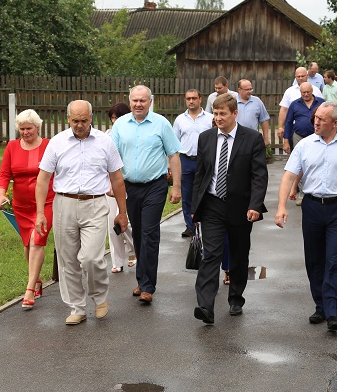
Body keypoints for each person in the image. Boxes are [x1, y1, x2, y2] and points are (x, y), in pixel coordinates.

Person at [275, 102, 337, 333]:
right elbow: (288, 176)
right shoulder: (305, 145)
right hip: (313, 207)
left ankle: (334, 313)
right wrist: (281, 206)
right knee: (314, 260)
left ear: (335, 123)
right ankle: (321, 306)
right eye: (315, 117)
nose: (315, 122)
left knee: (334, 260)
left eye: (321, 119)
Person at [34, 100, 128, 326]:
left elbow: (117, 178)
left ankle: (100, 297)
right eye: (75, 120)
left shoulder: (105, 142)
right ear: (68, 119)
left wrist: (122, 212)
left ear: (91, 118)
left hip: (95, 204)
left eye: (84, 120)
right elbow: (43, 179)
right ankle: (77, 307)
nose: (79, 125)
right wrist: (40, 213)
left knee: (91, 258)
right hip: (64, 204)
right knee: (68, 259)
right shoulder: (57, 143)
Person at [191, 93, 268, 324]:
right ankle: (205, 306)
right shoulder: (205, 138)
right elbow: (200, 175)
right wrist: (195, 207)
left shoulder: (252, 138)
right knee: (210, 255)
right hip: (212, 205)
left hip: (241, 207)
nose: (218, 118)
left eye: (222, 113)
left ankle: (235, 298)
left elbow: (259, 175)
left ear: (235, 113)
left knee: (238, 254)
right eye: (215, 113)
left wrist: (255, 205)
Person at [111, 85, 182, 305]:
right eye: (135, 100)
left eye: (143, 100)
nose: (138, 104)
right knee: (139, 233)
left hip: (155, 186)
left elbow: (174, 155)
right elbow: (111, 157)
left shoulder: (161, 123)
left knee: (150, 233)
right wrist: (109, 184)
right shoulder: (120, 125)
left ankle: (148, 286)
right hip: (129, 187)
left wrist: (177, 186)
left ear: (150, 102)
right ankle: (141, 280)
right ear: (129, 101)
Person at [0, 109, 54, 310]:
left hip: (46, 203)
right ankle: (35, 279)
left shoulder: (48, 145)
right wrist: (2, 194)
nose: (25, 132)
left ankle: (29, 290)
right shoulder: (12, 147)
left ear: (37, 127)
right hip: (21, 205)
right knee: (28, 244)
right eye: (21, 129)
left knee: (37, 240)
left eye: (29, 128)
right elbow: (4, 173)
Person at [173, 89, 214, 237]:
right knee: (187, 194)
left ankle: (207, 222)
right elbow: (174, 143)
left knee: (207, 192)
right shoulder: (180, 120)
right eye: (188, 98)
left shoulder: (210, 118)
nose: (191, 101)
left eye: (194, 98)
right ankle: (190, 225)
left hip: (205, 161)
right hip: (186, 160)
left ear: (200, 99)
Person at [106, 102, 136, 273]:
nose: (115, 121)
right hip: (109, 184)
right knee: (112, 223)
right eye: (113, 118)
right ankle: (117, 261)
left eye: (118, 117)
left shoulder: (133, 134)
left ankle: (134, 249)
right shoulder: (107, 135)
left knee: (127, 222)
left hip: (128, 182)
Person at [278, 67, 324, 142]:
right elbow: (284, 110)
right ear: (295, 77)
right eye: (298, 76)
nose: (300, 78)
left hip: (316, 131)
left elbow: (323, 108)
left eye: (302, 76)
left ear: (307, 76)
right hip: (296, 129)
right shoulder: (289, 91)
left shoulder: (316, 90)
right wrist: (280, 127)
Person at [283, 82, 324, 154]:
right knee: (298, 156)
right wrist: (286, 141)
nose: (306, 94)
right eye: (303, 92)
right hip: (299, 136)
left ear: (312, 91)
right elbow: (288, 122)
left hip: (317, 137)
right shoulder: (294, 104)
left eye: (308, 92)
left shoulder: (321, 102)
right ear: (300, 92)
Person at [236, 79, 271, 146]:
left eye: (250, 89)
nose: (249, 91)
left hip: (253, 138)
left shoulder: (257, 101)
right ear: (239, 90)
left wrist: (266, 138)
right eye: (247, 90)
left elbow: (264, 120)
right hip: (236, 138)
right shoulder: (233, 101)